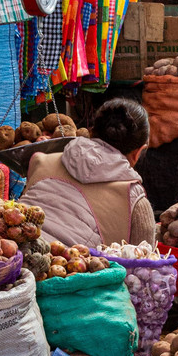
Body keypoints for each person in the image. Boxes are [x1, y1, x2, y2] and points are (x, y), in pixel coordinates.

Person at [21, 98, 156, 248]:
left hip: (5, 249)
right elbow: (145, 260)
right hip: (60, 262)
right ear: (139, 152)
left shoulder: (41, 161)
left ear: (91, 131)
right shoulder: (134, 200)